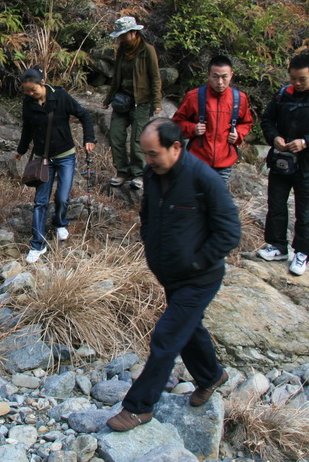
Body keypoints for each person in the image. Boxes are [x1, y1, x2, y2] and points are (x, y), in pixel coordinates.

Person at [107, 119, 240, 432]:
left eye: (153, 153)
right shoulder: (154, 174)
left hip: (199, 278)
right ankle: (211, 376)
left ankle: (139, 407)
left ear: (176, 147)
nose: (148, 160)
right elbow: (149, 215)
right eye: (145, 153)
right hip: (170, 275)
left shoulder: (203, 178)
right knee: (188, 330)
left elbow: (230, 232)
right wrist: (150, 243)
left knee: (167, 336)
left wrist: (197, 263)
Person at [257, 53, 309, 276]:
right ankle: (277, 246)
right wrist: (274, 137)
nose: (296, 83)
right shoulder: (283, 95)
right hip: (281, 161)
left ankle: (303, 252)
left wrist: (306, 142)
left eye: (301, 79)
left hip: (307, 165)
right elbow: (267, 121)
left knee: (304, 212)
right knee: (275, 205)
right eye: (293, 78)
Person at [15, 67, 96, 264]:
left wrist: (89, 139)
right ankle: (37, 244)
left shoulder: (60, 96)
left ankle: (60, 222)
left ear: (42, 82)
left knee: (62, 196)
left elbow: (84, 115)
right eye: (27, 91)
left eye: (33, 89)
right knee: (40, 201)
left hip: (66, 155)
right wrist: (21, 150)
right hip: (44, 158)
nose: (30, 94)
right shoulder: (28, 102)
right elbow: (27, 127)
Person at [172, 55, 254, 184]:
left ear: (231, 75)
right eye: (215, 77)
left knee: (218, 201)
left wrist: (238, 134)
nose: (220, 82)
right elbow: (176, 123)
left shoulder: (240, 99)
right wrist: (193, 128)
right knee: (195, 201)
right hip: (197, 160)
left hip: (224, 162)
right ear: (208, 75)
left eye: (224, 77)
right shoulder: (194, 97)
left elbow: (246, 122)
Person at [103, 16, 162, 189]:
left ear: (134, 33)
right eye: (119, 35)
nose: (120, 38)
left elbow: (155, 77)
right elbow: (116, 77)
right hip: (122, 100)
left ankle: (139, 174)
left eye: (123, 35)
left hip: (142, 101)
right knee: (115, 135)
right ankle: (122, 171)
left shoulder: (147, 50)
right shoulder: (122, 49)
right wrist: (108, 99)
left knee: (138, 139)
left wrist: (157, 101)